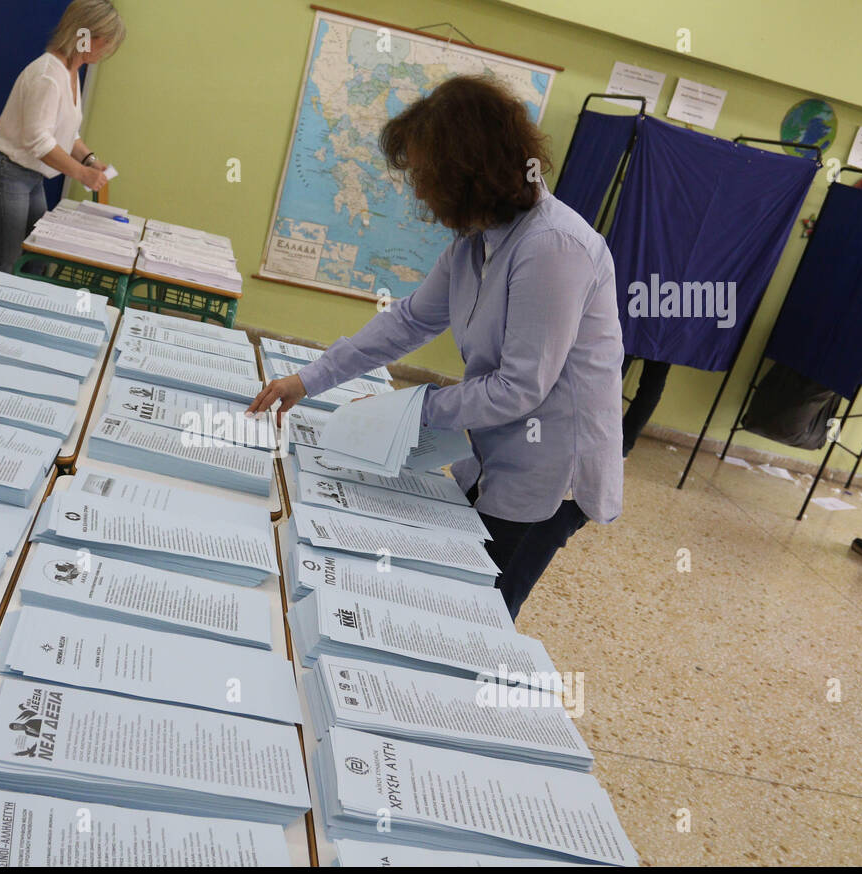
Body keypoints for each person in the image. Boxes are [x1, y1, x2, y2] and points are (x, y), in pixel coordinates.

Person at [248, 76, 624, 619]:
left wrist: (405, 410)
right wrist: (307, 380)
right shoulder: (477, 239)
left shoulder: (553, 248)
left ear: (469, 173)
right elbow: (406, 323)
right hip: (494, 447)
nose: (419, 191)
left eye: (425, 176)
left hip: (549, 466)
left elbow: (519, 388)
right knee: (451, 583)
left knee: (481, 612)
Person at [0, 0, 125, 273]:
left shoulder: (71, 73)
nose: (106, 50)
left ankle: (22, 311)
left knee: (38, 257)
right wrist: (81, 173)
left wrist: (90, 161)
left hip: (31, 176)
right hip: (7, 170)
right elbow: (40, 143)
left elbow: (68, 132)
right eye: (105, 41)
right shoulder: (48, 75)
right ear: (85, 35)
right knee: (4, 263)